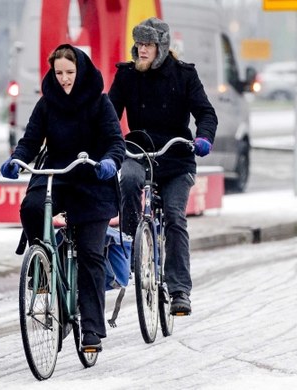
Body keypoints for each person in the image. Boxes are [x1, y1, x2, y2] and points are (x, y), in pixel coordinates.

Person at [0, 44, 125, 350]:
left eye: (70, 72)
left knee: (90, 254)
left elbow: (115, 142)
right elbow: (30, 140)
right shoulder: (47, 104)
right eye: (59, 73)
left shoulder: (100, 102)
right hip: (56, 176)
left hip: (93, 179)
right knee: (30, 207)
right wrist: (17, 159)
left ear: (81, 71)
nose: (65, 79)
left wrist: (109, 162)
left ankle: (92, 330)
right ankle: (42, 265)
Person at [109, 17, 218, 316]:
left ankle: (180, 289)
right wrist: (104, 143)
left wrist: (204, 138)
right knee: (128, 181)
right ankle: (134, 243)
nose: (141, 50)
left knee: (174, 217)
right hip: (139, 152)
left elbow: (206, 113)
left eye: (147, 45)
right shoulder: (127, 76)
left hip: (176, 157)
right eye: (138, 44)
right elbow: (108, 115)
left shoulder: (184, 76)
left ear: (162, 47)